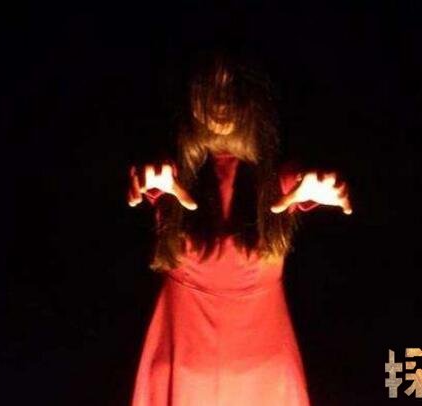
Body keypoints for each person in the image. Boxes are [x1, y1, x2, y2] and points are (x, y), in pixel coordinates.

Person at [127, 50, 352, 406]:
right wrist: (147, 176)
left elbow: (295, 179)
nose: (221, 101)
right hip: (183, 367)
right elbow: (150, 176)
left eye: (233, 86)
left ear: (253, 95)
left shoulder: (273, 179)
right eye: (210, 86)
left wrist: (319, 182)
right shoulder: (173, 174)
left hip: (263, 373)